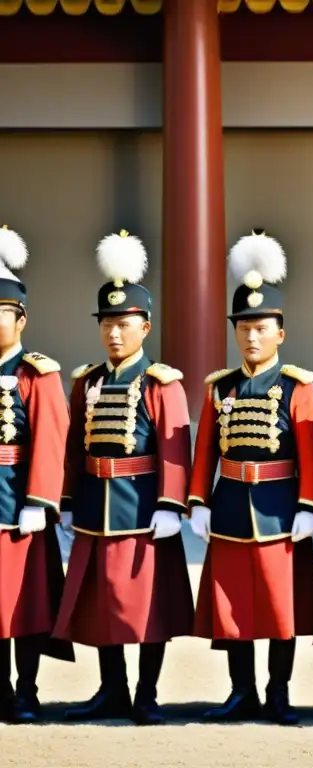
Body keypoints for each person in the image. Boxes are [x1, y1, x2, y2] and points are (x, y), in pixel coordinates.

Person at [56, 230, 194, 726]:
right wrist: (68, 500)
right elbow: (74, 447)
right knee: (102, 604)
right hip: (96, 504)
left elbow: (176, 449)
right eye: (107, 323)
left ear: (145, 326)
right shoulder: (86, 381)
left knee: (148, 608)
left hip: (141, 506)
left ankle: (147, 693)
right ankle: (110, 688)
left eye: (124, 323)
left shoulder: (161, 382)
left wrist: (170, 504)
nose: (114, 333)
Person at [190, 229, 313, 725]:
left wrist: (311, 505)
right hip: (228, 505)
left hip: (279, 506)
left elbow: (312, 450)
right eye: (243, 326)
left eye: (261, 326)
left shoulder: (296, 387)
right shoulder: (219, 388)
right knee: (233, 607)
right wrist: (197, 500)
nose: (250, 335)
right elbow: (204, 448)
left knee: (277, 606)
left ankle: (279, 692)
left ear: (280, 333)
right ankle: (241, 691)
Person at [0, 225, 73, 724]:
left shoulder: (37, 373)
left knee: (25, 609)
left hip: (17, 505)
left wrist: (39, 500)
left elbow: (52, 438)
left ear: (20, 318)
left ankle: (26, 690)